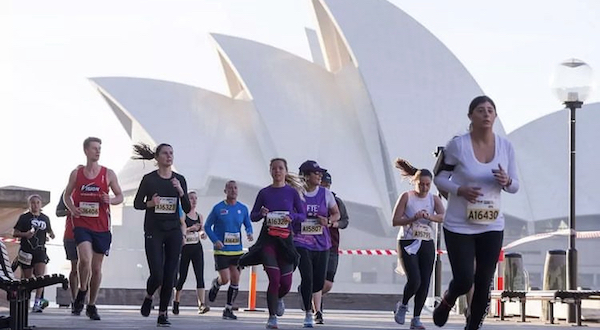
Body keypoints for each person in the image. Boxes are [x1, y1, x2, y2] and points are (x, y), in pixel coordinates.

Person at [432, 96, 519, 330]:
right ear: (471, 115)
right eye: (481, 110)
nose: (486, 114)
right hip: (459, 224)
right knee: (463, 279)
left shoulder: (505, 147)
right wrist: (459, 189)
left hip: (491, 225)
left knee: (483, 283)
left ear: (496, 116)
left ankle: (472, 327)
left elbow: (515, 186)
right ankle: (448, 299)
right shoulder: (457, 146)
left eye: (491, 110)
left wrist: (506, 180)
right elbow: (438, 177)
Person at [239, 158, 306, 330]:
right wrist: (261, 213)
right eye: (274, 168)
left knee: (285, 284)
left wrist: (292, 217)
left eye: (280, 168)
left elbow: (303, 215)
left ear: (285, 171)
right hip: (268, 240)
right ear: (270, 171)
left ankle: (278, 298)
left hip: (285, 240)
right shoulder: (264, 193)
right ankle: (272, 317)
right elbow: (253, 216)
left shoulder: (291, 193)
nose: (277, 171)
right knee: (274, 279)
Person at [63, 137, 123, 321]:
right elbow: (67, 195)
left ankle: (91, 304)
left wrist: (110, 200)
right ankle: (82, 289)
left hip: (102, 227)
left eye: (99, 149)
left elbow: (120, 196)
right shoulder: (77, 174)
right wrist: (73, 210)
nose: (98, 151)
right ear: (86, 151)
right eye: (94, 148)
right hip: (82, 225)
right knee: (85, 260)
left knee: (96, 269)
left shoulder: (108, 174)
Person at [133, 142, 191, 327]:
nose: (169, 156)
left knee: (170, 275)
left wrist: (181, 192)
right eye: (165, 153)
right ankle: (149, 296)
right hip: (154, 230)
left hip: (173, 230)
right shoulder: (149, 179)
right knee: (157, 274)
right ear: (157, 158)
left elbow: (188, 208)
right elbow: (137, 203)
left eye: (171, 153)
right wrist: (151, 203)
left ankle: (163, 313)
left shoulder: (179, 179)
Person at [391, 159, 445, 330]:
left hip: (426, 241)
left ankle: (416, 318)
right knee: (415, 279)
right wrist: (413, 218)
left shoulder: (434, 199)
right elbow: (395, 220)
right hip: (407, 241)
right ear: (415, 182)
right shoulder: (406, 197)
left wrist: (430, 217)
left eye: (428, 185)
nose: (424, 188)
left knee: (425, 281)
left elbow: (444, 216)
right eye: (421, 184)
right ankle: (404, 304)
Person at [294, 161, 340, 327]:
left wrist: (327, 220)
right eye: (316, 173)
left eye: (320, 173)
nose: (319, 176)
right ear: (305, 176)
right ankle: (309, 312)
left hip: (322, 243)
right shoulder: (297, 193)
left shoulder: (326, 194)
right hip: (301, 241)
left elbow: (337, 214)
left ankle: (313, 307)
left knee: (319, 282)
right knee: (307, 277)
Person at [205, 180, 254, 320]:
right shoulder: (218, 208)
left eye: (235, 188)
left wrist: (249, 233)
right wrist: (215, 240)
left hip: (236, 250)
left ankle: (228, 309)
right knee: (225, 279)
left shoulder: (242, 208)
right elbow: (208, 226)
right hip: (222, 250)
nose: (233, 190)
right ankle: (217, 283)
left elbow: (248, 224)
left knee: (235, 278)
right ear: (225, 191)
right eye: (230, 188)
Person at [312, 171, 349, 318]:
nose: (325, 188)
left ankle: (309, 293)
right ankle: (317, 310)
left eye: (327, 185)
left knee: (327, 283)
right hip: (314, 244)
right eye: (322, 185)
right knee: (317, 278)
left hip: (332, 245)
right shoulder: (311, 199)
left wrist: (333, 223)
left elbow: (345, 221)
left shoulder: (336, 201)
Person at [13, 194, 55, 312]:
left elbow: (50, 231)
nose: (35, 205)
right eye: (32, 203)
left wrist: (51, 235)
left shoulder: (45, 218)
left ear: (41, 204)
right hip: (26, 251)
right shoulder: (24, 218)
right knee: (27, 279)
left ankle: (37, 303)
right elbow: (15, 233)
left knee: (40, 277)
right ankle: (25, 302)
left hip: (40, 251)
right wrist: (25, 234)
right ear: (29, 204)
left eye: (37, 202)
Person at [172, 191, 210, 315]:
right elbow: (180, 230)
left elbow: (201, 229)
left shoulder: (199, 216)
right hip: (185, 248)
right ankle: (176, 300)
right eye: (191, 198)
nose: (194, 201)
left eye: (195, 199)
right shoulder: (182, 215)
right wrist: (190, 229)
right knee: (182, 276)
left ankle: (201, 304)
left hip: (196, 247)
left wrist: (202, 234)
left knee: (200, 275)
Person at [56, 188, 79, 314]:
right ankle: (74, 299)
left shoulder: (94, 189)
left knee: (88, 268)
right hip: (71, 234)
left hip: (92, 233)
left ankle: (84, 297)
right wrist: (71, 211)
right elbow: (58, 212)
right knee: (75, 268)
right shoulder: (68, 191)